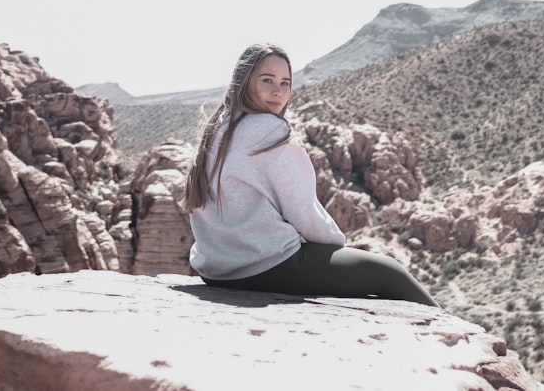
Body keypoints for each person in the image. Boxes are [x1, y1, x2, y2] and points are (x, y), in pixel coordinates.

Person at [179, 42, 439, 307]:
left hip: (216, 270)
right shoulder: (269, 130)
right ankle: (452, 332)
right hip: (265, 265)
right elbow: (303, 211)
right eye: (267, 80)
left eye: (285, 83)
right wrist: (334, 249)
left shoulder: (219, 127)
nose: (278, 92)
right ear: (244, 82)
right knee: (389, 272)